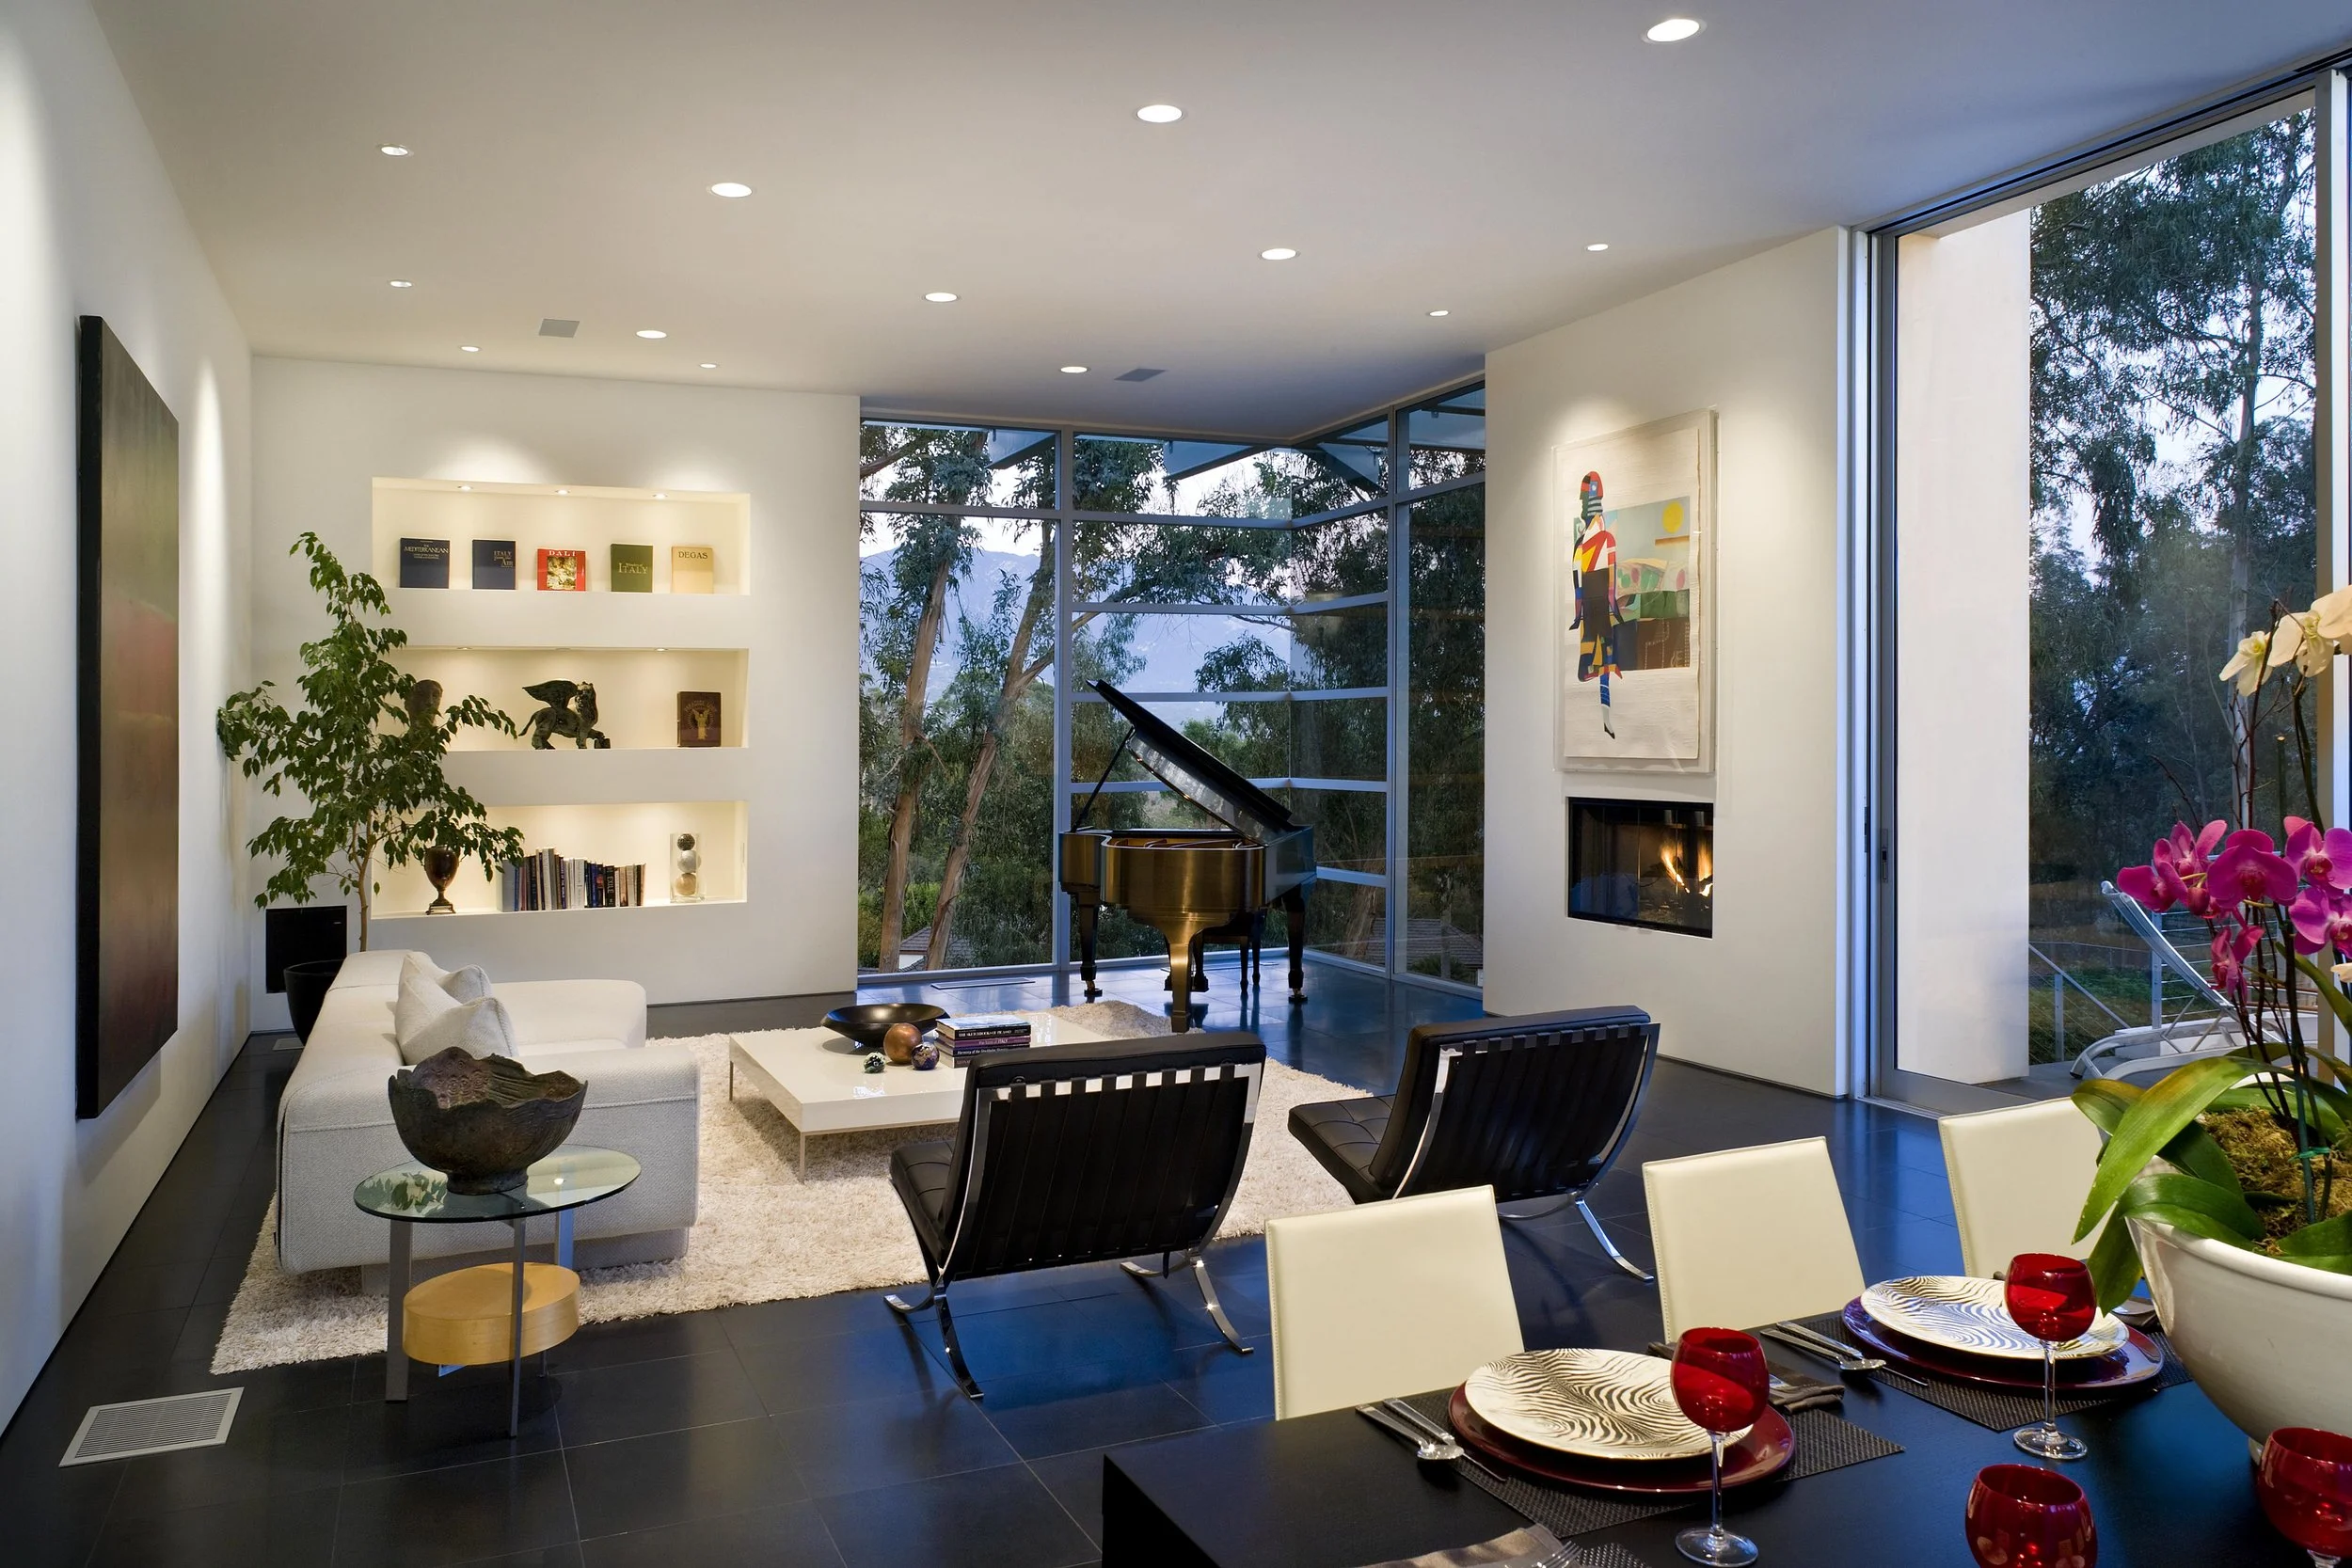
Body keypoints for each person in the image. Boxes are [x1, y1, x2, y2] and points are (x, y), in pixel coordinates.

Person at [1568, 468, 1620, 737]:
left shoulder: (1598, 542)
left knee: (1604, 662)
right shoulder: (1584, 544)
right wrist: (1579, 614)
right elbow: (1580, 586)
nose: (1581, 506)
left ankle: (1606, 716)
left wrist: (1610, 606)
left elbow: (1606, 583)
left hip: (1594, 611)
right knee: (1594, 664)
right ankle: (1605, 715)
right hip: (1593, 611)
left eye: (1583, 500)